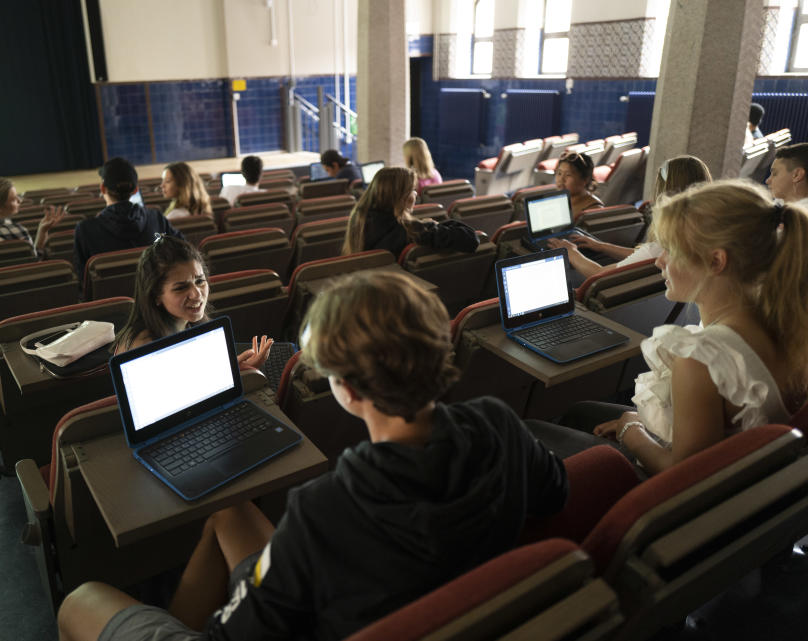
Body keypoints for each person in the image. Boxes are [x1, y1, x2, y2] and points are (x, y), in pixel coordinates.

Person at [58, 269, 568, 641]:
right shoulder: (499, 424)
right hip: (454, 605)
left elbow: (237, 635)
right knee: (229, 513)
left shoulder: (324, 511)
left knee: (80, 602)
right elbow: (554, 495)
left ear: (344, 388)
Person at [526, 180, 808, 476]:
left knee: (531, 429)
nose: (659, 260)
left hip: (663, 501)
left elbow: (682, 477)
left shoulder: (700, 359)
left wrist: (631, 431)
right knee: (580, 411)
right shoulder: (784, 322)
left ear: (716, 261)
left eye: (671, 250)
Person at [112, 234, 272, 370]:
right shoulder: (143, 348)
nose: (197, 294)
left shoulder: (187, 323)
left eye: (200, 281)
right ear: (156, 295)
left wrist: (234, 369)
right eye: (181, 288)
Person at [548, 155, 712, 280]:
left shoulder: (663, 248)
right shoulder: (704, 238)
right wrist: (603, 246)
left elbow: (598, 274)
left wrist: (571, 253)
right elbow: (640, 256)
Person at [73, 157, 183, 282]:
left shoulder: (85, 230)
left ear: (103, 188)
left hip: (111, 301)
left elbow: (83, 282)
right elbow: (183, 251)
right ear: (136, 189)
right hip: (154, 298)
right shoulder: (156, 218)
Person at [342, 166, 478, 256]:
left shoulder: (359, 220)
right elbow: (471, 239)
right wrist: (431, 225)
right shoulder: (410, 231)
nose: (416, 195)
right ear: (402, 197)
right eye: (413, 190)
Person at [766, 142, 808, 206]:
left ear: (797, 175)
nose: (767, 181)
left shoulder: (798, 214)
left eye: (775, 173)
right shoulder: (781, 202)